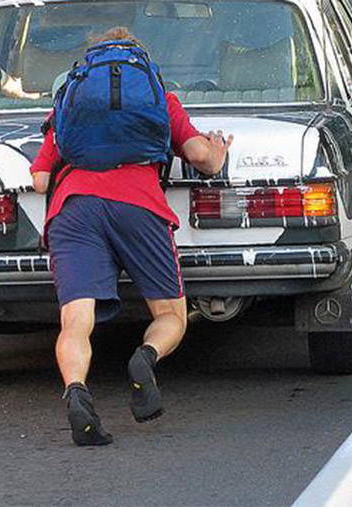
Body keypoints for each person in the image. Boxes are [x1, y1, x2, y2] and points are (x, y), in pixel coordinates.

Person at [30, 27, 233, 445]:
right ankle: (145, 358)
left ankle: (76, 392)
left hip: (75, 209)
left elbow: (39, 180)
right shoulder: (159, 98)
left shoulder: (72, 101)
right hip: (139, 205)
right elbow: (200, 157)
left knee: (75, 322)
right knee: (170, 314)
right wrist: (217, 154)